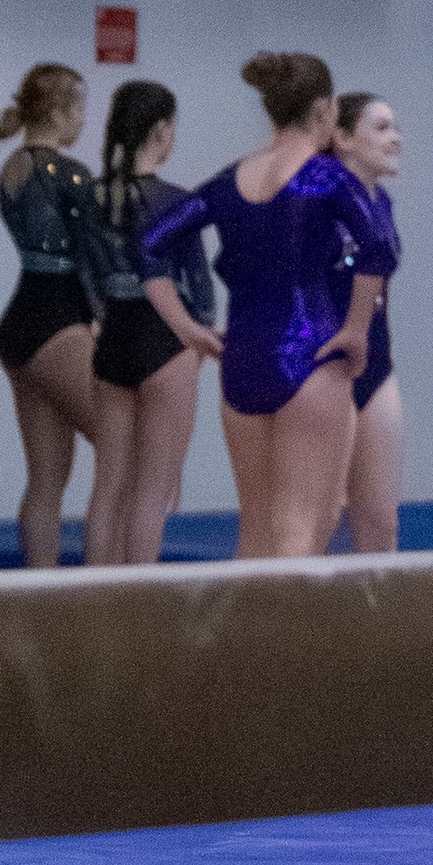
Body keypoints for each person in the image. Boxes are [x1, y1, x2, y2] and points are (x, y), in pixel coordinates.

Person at [141, 52, 378, 560]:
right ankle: (290, 641)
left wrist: (185, 328)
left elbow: (146, 246)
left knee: (255, 534)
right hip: (311, 355)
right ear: (326, 110)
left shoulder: (229, 181)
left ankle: (249, 640)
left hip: (242, 361)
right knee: (301, 532)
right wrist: (357, 328)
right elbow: (379, 246)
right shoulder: (325, 178)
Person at [83, 79, 215, 568]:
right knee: (152, 492)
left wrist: (99, 321)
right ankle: (139, 606)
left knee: (108, 486)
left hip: (112, 340)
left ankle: (92, 604)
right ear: (162, 130)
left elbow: (87, 278)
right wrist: (200, 344)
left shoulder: (92, 198)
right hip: (165, 341)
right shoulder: (177, 202)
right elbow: (200, 292)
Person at [0, 60, 100, 569]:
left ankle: (41, 587)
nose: (84, 120)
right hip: (60, 322)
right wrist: (105, 323)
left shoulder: (11, 168)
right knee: (127, 448)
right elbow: (90, 261)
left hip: (20, 324)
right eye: (80, 108)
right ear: (58, 112)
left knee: (46, 477)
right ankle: (113, 581)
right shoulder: (71, 175)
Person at [329, 93, 405, 556]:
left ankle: (381, 624)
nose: (396, 138)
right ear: (342, 138)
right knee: (322, 516)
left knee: (380, 520)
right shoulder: (316, 203)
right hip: (322, 364)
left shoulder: (384, 203)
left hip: (376, 363)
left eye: (395, 126)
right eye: (380, 128)